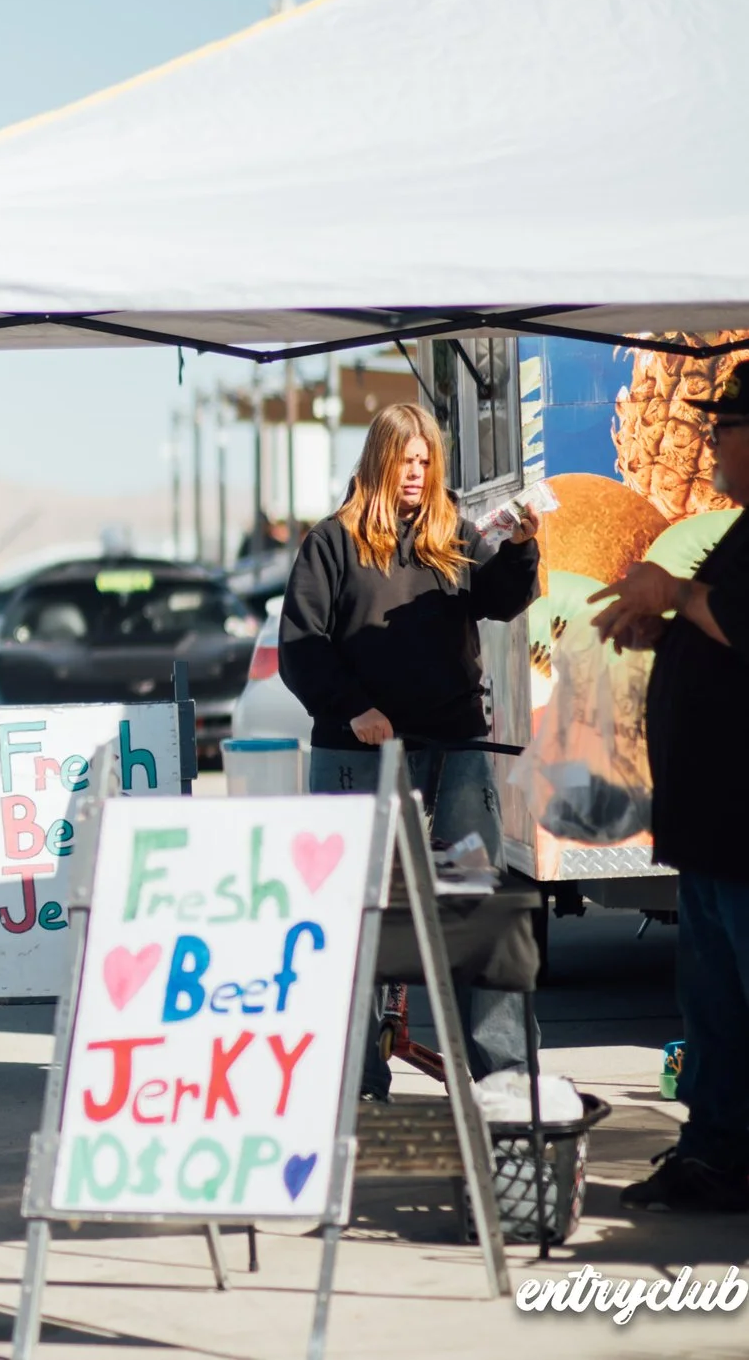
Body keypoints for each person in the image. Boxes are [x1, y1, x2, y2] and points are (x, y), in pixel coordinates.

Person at [279, 401, 541, 1089]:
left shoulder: (452, 532)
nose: (417, 472)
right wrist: (352, 708)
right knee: (356, 914)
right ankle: (354, 1077)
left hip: (454, 750)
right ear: (379, 462)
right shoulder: (331, 542)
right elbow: (300, 648)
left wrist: (521, 549)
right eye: (406, 460)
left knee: (475, 906)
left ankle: (505, 1076)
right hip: (357, 758)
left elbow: (501, 600)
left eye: (426, 460)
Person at [591, 371, 749, 1213]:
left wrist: (679, 593)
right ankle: (715, 1154)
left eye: (726, 425)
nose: (712, 441)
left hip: (740, 828)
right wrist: (667, 628)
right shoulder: (740, 531)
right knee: (715, 1012)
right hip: (710, 829)